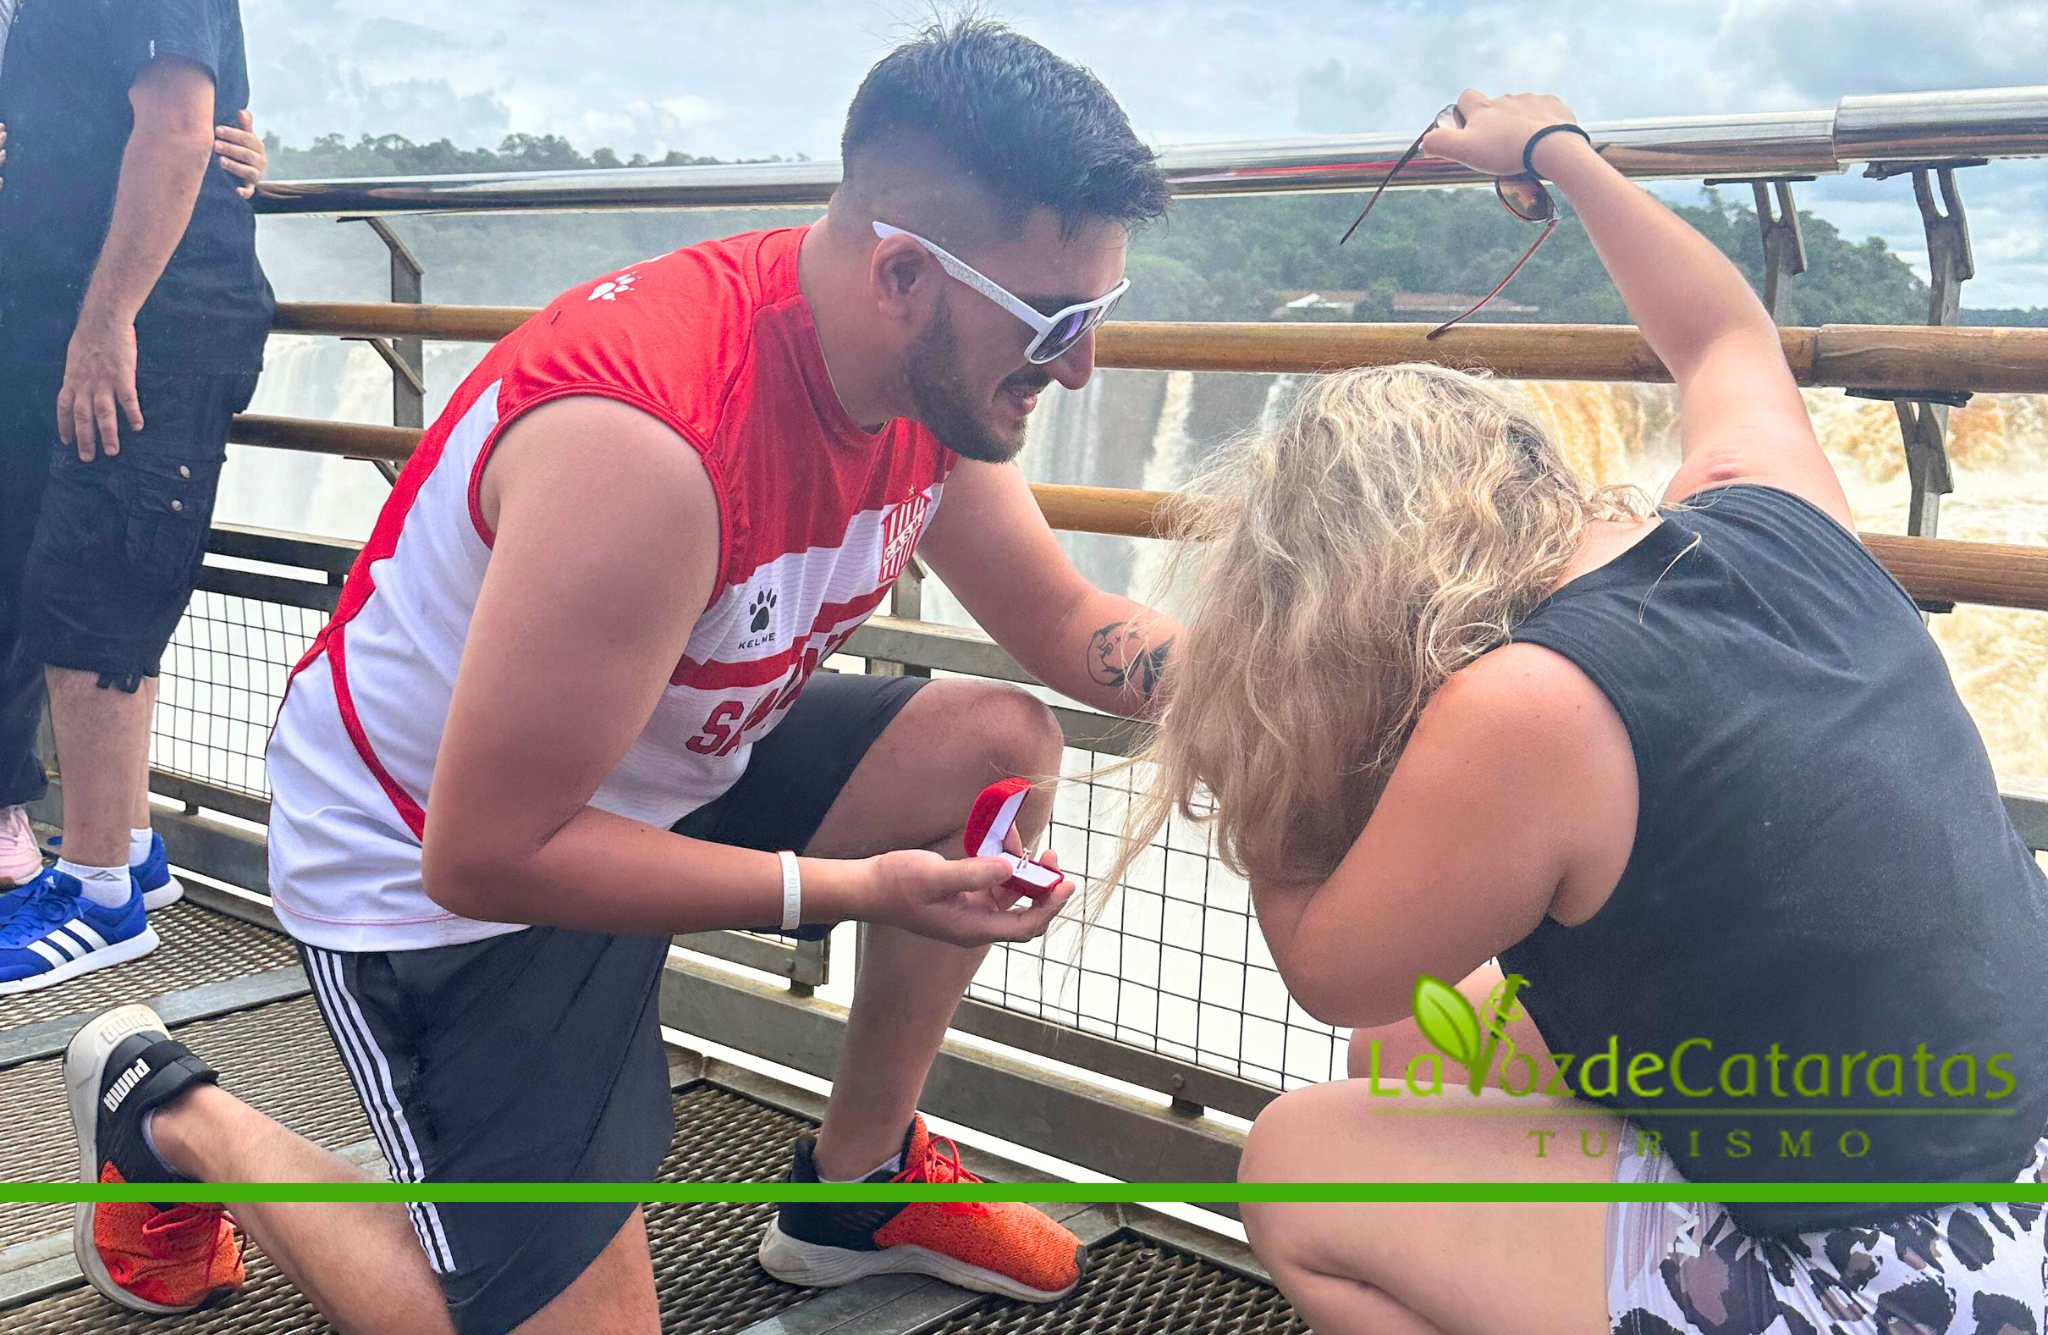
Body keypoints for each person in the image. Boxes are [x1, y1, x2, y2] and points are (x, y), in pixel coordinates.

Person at [59, 19, 1184, 1335]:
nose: (1080, 363)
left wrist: (1335, 692)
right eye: (1056, 321)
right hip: (433, 863)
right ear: (902, 275)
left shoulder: (929, 381)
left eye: (1097, 314)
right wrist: (850, 889)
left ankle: (855, 1185)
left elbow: (1066, 628)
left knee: (998, 742)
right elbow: (485, 854)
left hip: (652, 764)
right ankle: (164, 1105)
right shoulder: (651, 446)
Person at [1105, 92, 2048, 1335]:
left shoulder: (1528, 705)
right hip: (2012, 1162)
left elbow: (1327, 968)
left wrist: (1250, 735)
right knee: (1404, 1057)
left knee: (1298, 1162)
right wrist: (1560, 156)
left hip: (1913, 1282)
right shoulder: (1766, 513)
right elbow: (1722, 339)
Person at [0, 0, 274, 992]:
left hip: (146, 322)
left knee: (96, 578)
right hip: (76, 316)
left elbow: (176, 127)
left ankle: (99, 893)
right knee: (67, 571)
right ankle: (128, 846)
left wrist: (109, 320)